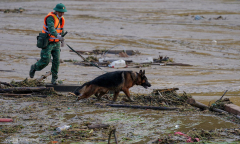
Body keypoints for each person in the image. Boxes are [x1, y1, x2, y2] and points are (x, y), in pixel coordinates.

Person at [29, 3, 67, 85]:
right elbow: (51, 29)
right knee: (45, 61)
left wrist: (62, 39)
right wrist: (58, 36)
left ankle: (54, 80)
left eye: (63, 12)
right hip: (48, 43)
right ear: (56, 11)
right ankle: (34, 67)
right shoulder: (50, 18)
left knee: (56, 61)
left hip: (56, 43)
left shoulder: (61, 18)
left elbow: (61, 29)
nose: (62, 14)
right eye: (60, 12)